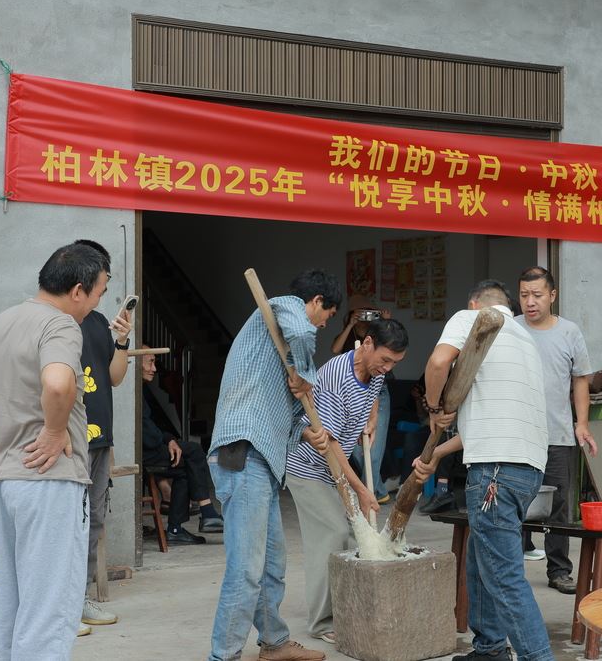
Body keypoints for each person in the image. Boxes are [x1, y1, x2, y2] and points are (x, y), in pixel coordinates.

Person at [0, 242, 108, 660]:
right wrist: (53, 430)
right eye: (100, 292)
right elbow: (58, 384)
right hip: (49, 481)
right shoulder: (61, 325)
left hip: (3, 481)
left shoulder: (0, 322)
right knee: (49, 609)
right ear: (79, 290)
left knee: (12, 607)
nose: (98, 303)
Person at [413, 280, 554, 661]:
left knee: (504, 576)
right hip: (525, 470)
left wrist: (433, 407)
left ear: (475, 303)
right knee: (480, 559)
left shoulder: (472, 318)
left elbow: (438, 363)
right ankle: (489, 649)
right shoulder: (526, 341)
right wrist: (438, 452)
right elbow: (492, 422)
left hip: (494, 472)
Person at [207, 269, 340, 661]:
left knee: (271, 565)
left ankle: (275, 642)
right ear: (316, 302)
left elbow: (288, 413)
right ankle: (223, 655)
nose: (323, 324)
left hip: (263, 461)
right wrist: (305, 373)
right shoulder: (285, 307)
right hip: (242, 452)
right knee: (246, 569)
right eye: (327, 315)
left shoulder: (282, 346)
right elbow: (301, 334)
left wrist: (308, 433)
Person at [286, 319, 408, 644]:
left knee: (356, 536)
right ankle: (321, 621)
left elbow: (374, 394)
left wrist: (372, 419)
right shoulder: (336, 376)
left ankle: (346, 608)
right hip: (307, 465)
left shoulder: (375, 371)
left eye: (395, 363)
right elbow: (331, 442)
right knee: (332, 533)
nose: (388, 368)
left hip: (332, 468)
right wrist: (363, 490)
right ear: (367, 343)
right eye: (385, 360)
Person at [515, 266, 597, 593]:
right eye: (524, 295)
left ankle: (559, 570)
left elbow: (580, 380)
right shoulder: (510, 328)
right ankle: (511, 570)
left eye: (537, 295)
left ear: (552, 295)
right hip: (517, 435)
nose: (530, 302)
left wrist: (582, 423)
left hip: (557, 434)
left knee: (558, 506)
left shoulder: (569, 332)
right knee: (514, 502)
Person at [71, 240, 131, 634]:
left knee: (93, 521)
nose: (103, 293)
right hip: (67, 440)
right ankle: (61, 606)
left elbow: (114, 377)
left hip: (99, 440)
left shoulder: (95, 323)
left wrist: (122, 340)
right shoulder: (54, 323)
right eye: (101, 285)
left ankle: (79, 600)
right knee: (65, 523)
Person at [141, 347, 223, 544]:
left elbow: (155, 426)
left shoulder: (143, 389)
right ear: (136, 364)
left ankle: (176, 529)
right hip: (142, 452)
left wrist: (169, 439)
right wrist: (166, 440)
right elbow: (149, 435)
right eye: (150, 362)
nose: (154, 369)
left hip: (150, 447)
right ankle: (207, 511)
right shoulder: (132, 391)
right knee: (194, 450)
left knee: (185, 469)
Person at [331, 294, 392, 503]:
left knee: (373, 449)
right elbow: (335, 349)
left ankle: (371, 494)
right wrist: (351, 324)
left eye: (370, 311)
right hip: (352, 391)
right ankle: (378, 490)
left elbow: (391, 347)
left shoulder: (377, 331)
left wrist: (385, 323)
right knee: (355, 449)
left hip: (377, 391)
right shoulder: (349, 331)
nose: (367, 315)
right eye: (362, 311)